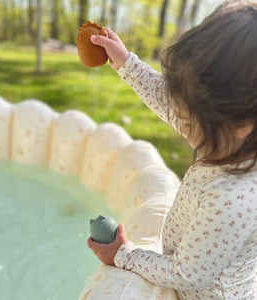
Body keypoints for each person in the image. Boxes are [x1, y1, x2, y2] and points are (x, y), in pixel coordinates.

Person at [87, 0, 257, 299]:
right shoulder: (230, 139)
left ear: (244, 123)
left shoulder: (233, 199)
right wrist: (126, 63)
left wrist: (123, 255)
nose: (181, 119)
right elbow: (170, 103)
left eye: (192, 119)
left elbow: (185, 274)